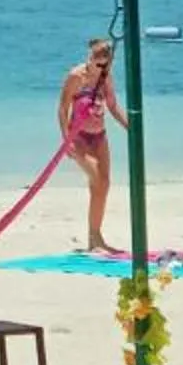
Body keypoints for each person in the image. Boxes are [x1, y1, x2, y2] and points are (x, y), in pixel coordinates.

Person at [57, 38, 131, 253]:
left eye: (106, 65)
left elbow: (113, 106)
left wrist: (130, 127)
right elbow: (62, 109)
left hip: (100, 136)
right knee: (97, 178)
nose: (102, 69)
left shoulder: (106, 77)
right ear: (90, 60)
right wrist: (65, 139)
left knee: (104, 184)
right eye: (98, 65)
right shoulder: (75, 77)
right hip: (78, 137)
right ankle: (94, 238)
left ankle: (95, 236)